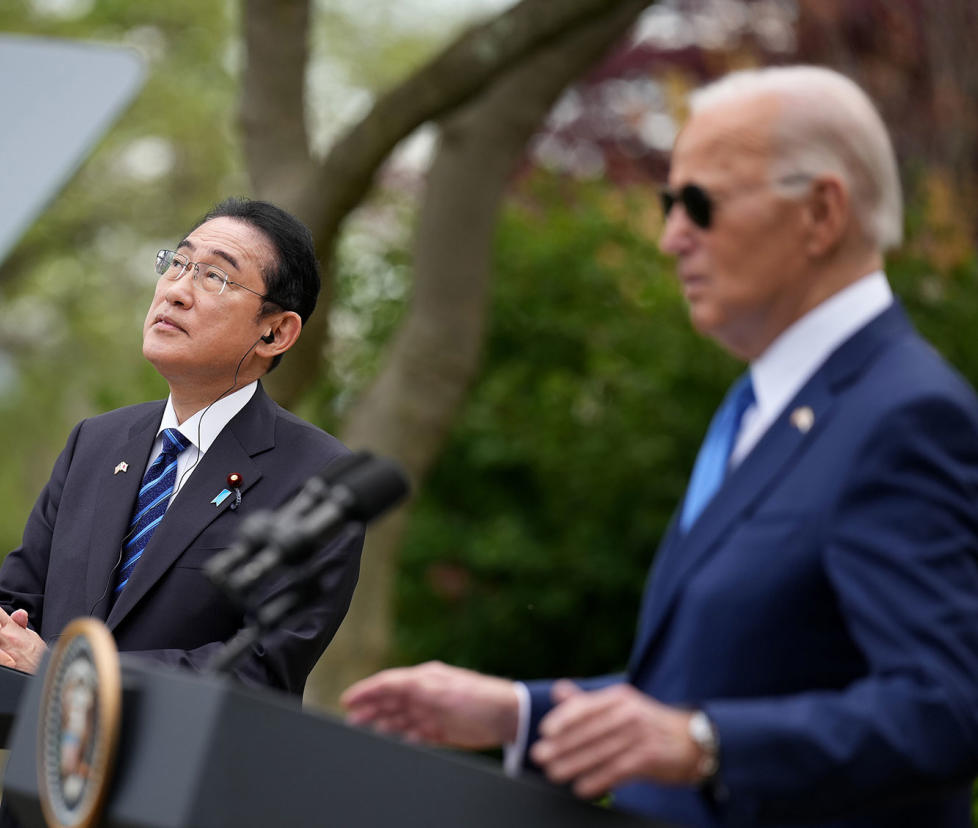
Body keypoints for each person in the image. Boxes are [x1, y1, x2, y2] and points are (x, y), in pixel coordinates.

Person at [341, 66, 978, 827]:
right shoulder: (765, 407)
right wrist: (517, 713)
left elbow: (949, 705)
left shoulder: (904, 413)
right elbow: (717, 678)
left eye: (700, 204)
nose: (672, 236)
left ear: (821, 211)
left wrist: (705, 744)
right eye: (667, 204)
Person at [0, 197, 364, 696]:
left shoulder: (317, 478)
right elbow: (20, 606)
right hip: (52, 766)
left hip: (196, 768)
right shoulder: (94, 443)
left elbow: (260, 666)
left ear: (276, 332)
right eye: (177, 263)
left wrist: (67, 670)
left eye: (214, 277)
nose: (176, 291)